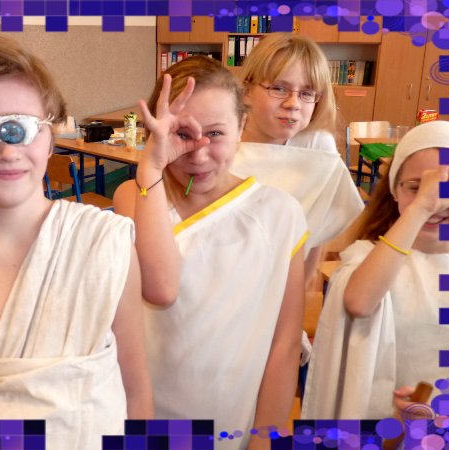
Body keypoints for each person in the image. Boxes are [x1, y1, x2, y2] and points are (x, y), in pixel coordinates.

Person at [0, 35, 153, 448]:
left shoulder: (104, 241)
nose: (7, 151)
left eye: (26, 128)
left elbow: (136, 390)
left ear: (51, 135)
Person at [112, 56, 306, 448]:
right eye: (181, 134)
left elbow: (284, 344)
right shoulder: (135, 195)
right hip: (143, 411)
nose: (198, 155)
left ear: (241, 127)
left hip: (230, 416)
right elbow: (159, 287)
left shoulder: (279, 213)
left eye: (215, 134)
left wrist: (265, 438)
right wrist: (150, 167)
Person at [301, 121, 449, 419]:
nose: (435, 201)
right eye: (416, 188)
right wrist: (419, 209)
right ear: (394, 191)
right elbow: (359, 302)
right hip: (380, 420)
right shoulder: (371, 256)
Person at [233, 32, 364, 279]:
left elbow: (315, 232)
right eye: (279, 88)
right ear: (247, 90)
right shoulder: (222, 139)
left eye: (306, 93)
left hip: (283, 280)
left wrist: (300, 287)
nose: (293, 103)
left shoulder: (316, 146)